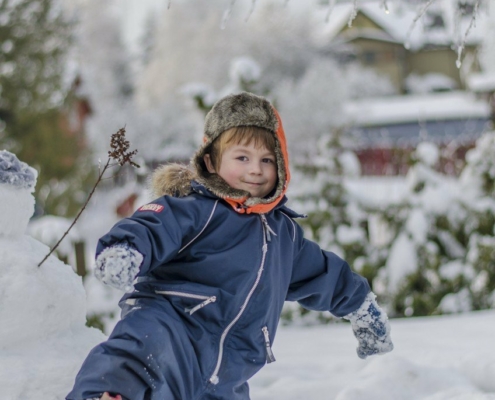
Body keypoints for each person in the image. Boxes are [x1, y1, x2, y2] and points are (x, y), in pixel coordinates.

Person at [67, 92, 393, 400]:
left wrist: (361, 307)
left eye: (267, 159)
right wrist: (125, 248)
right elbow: (151, 226)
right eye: (242, 157)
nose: (255, 169)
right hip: (173, 325)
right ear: (210, 162)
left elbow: (324, 274)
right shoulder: (195, 208)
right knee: (140, 352)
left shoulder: (284, 235)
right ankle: (105, 393)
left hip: (230, 371)